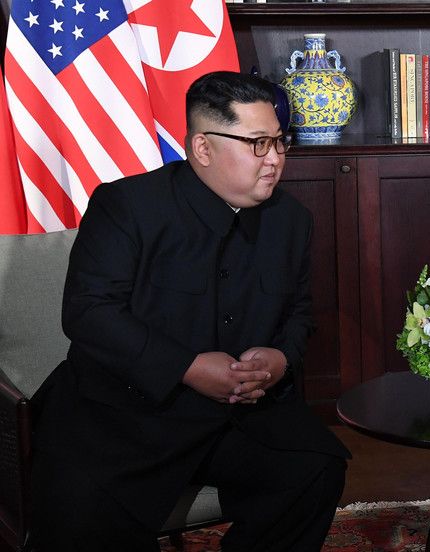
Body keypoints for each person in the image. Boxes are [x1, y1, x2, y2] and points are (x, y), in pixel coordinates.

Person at [29, 71, 350, 551]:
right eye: (258, 144)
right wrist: (188, 367)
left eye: (280, 142)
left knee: (316, 468)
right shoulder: (127, 205)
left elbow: (299, 314)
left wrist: (280, 359)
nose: (275, 159)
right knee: (83, 516)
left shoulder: (292, 220)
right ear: (203, 148)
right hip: (125, 414)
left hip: (237, 415)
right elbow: (88, 313)